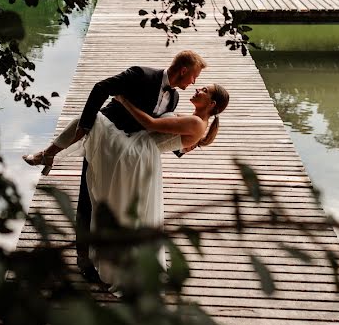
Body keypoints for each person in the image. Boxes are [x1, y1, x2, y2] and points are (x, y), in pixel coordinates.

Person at [22, 50, 207, 280]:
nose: (194, 82)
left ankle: (108, 254)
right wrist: (88, 126)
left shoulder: (175, 98)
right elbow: (101, 87)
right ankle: (83, 258)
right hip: (105, 138)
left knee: (113, 205)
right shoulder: (141, 75)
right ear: (183, 70)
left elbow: (160, 129)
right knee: (87, 199)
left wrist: (185, 145)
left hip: (129, 153)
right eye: (194, 77)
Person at [83, 83, 229, 287]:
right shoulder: (195, 120)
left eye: (204, 90)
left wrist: (124, 100)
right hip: (140, 154)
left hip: (136, 156)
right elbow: (174, 139)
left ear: (212, 104)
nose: (197, 89)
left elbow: (151, 124)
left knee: (94, 120)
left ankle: (50, 154)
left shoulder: (197, 123)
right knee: (126, 213)